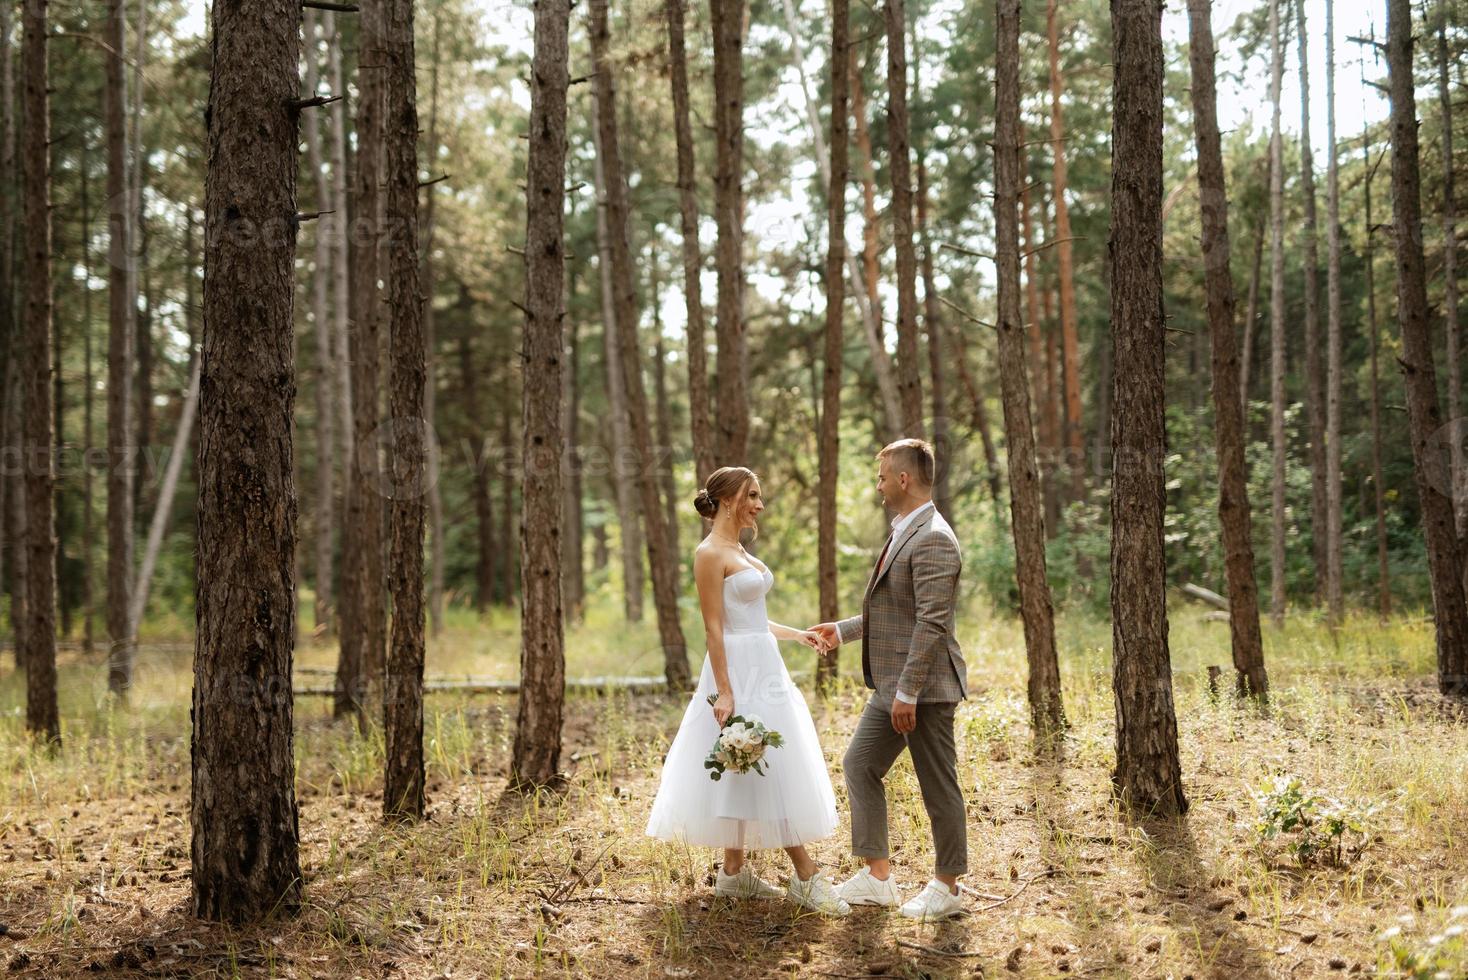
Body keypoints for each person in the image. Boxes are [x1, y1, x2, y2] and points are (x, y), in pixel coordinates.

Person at [645, 466, 850, 916]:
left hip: (765, 664)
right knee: (761, 758)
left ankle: (733, 874)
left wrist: (799, 635)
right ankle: (807, 876)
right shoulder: (708, 553)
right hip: (736, 669)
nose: (759, 504)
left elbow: (753, 618)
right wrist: (725, 691)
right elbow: (715, 628)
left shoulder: (739, 547)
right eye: (752, 496)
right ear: (727, 499)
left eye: (759, 496)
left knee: (751, 759)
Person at [810, 438, 969, 921]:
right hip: (893, 686)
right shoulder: (905, 530)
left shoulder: (935, 537)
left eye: (882, 477)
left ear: (903, 479)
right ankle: (879, 879)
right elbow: (895, 612)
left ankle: (947, 887)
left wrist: (907, 693)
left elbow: (931, 624)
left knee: (938, 784)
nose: (878, 485)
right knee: (860, 763)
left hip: (922, 689)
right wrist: (842, 631)